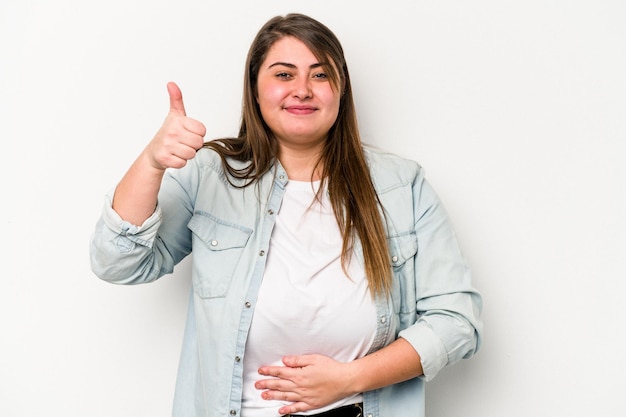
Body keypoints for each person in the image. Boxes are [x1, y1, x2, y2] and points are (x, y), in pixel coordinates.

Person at [90, 12, 483, 417]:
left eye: (320, 75)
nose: (303, 90)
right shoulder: (211, 175)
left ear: (341, 90)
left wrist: (351, 378)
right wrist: (152, 163)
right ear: (255, 90)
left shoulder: (403, 186)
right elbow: (117, 262)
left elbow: (457, 323)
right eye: (283, 75)